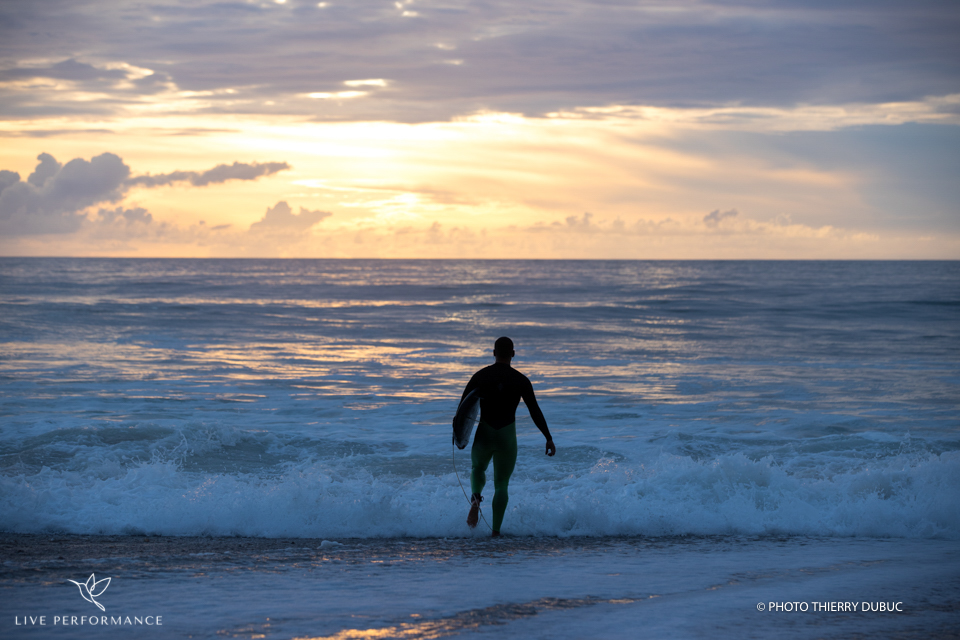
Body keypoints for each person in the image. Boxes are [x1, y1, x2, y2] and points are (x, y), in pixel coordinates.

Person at [459, 336, 555, 536]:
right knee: (501, 484)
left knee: (478, 468)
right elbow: (534, 411)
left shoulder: (481, 375)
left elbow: (463, 409)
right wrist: (548, 437)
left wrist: (458, 435)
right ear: (513, 354)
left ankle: (476, 498)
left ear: (494, 353)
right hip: (506, 436)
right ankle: (495, 532)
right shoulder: (521, 380)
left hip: (485, 432)